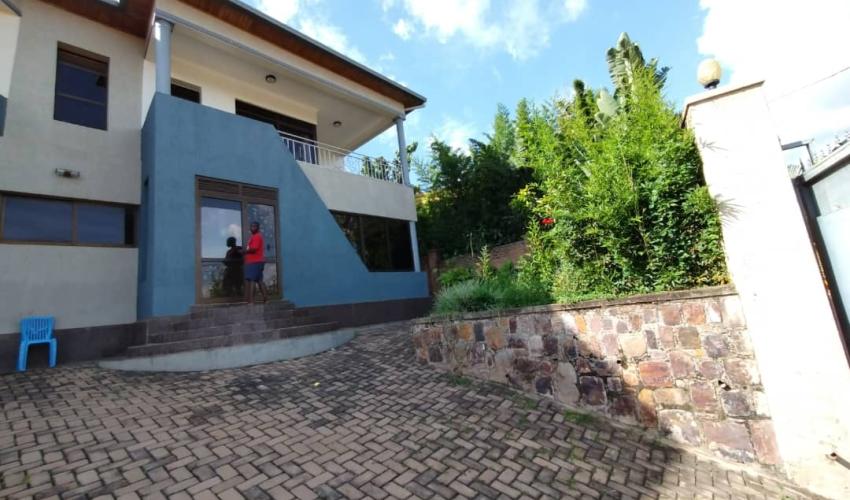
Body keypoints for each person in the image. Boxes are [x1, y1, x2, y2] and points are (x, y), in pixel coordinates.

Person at [244, 221, 268, 304]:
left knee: (252, 280)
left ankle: (251, 301)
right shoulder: (253, 237)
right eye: (251, 226)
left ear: (258, 228)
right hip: (255, 262)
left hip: (254, 262)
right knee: (259, 280)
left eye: (254, 226)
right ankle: (266, 299)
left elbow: (254, 249)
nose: (252, 228)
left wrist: (244, 251)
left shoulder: (257, 236)